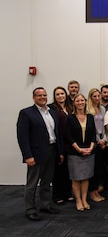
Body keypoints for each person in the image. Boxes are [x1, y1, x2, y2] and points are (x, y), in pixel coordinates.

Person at [17, 87, 64, 221]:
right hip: (36, 154)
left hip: (52, 150)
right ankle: (30, 209)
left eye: (44, 95)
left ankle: (45, 205)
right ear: (34, 98)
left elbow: (58, 133)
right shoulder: (26, 113)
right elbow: (23, 137)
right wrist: (27, 156)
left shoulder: (52, 112)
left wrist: (60, 152)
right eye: (39, 95)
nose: (42, 97)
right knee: (32, 183)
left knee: (47, 181)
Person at [66, 94, 96, 212]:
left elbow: (93, 134)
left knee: (85, 177)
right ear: (74, 103)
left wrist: (91, 148)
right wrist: (79, 149)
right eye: (77, 101)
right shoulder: (70, 118)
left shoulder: (90, 117)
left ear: (85, 102)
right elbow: (69, 136)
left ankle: (84, 200)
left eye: (82, 100)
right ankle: (78, 200)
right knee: (76, 178)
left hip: (89, 151)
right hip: (75, 153)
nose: (80, 103)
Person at [48, 86, 73, 205]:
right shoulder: (51, 109)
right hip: (59, 142)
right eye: (57, 94)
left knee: (68, 170)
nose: (60, 96)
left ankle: (67, 193)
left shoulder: (70, 107)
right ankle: (57, 195)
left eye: (62, 93)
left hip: (71, 143)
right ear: (55, 96)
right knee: (58, 170)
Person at [86, 88, 107, 202]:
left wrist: (104, 139)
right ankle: (92, 193)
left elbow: (104, 125)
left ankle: (95, 192)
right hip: (93, 142)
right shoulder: (88, 109)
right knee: (92, 169)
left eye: (98, 96)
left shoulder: (102, 108)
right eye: (94, 96)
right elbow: (90, 128)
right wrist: (99, 140)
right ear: (90, 97)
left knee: (99, 168)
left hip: (102, 141)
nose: (97, 98)